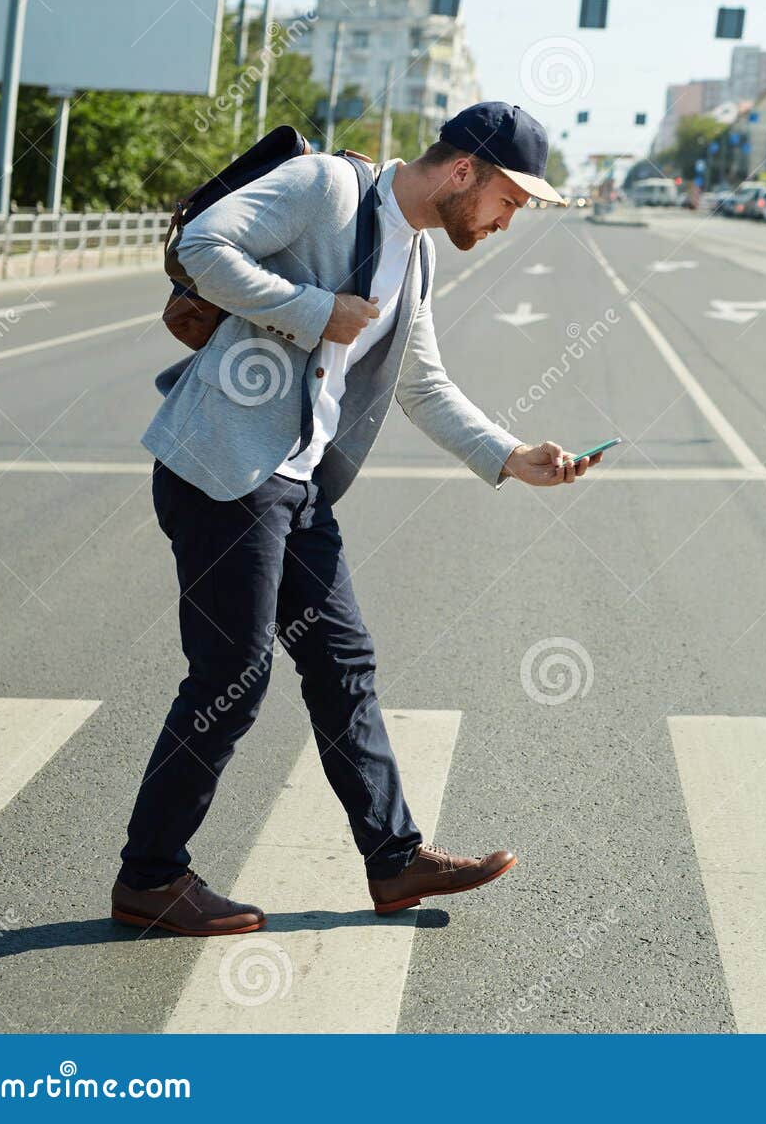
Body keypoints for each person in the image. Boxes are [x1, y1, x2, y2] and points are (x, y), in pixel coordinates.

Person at [111, 103, 599, 936]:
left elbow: (420, 382)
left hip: (298, 483)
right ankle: (150, 878)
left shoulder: (414, 258)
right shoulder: (324, 187)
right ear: (463, 172)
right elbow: (201, 248)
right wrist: (312, 309)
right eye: (509, 201)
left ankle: (394, 857)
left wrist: (510, 455)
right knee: (231, 676)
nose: (507, 220)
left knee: (344, 663)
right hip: (226, 465)